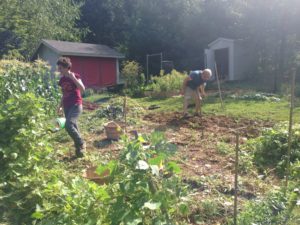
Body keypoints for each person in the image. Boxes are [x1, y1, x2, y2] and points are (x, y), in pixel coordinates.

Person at [56, 57, 86, 158]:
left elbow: (82, 89)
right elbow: (64, 94)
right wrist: (60, 106)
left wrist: (73, 78)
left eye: (60, 68)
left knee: (68, 125)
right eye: (58, 68)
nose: (59, 70)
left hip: (76, 105)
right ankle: (79, 150)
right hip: (66, 106)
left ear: (67, 68)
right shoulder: (62, 80)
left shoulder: (76, 76)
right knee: (74, 127)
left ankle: (81, 143)